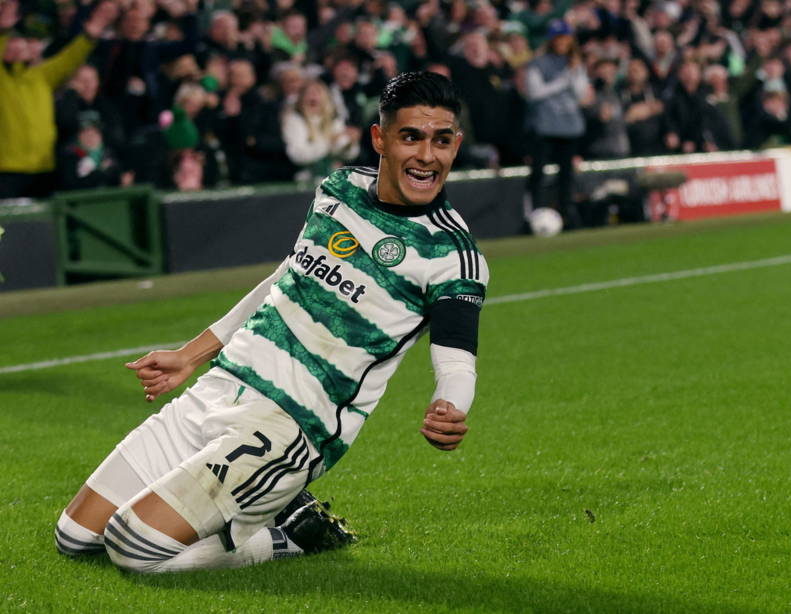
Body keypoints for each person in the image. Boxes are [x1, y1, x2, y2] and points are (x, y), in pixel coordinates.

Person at [54, 71, 489, 573]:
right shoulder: (339, 189)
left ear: (456, 145)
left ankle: (291, 535)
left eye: (441, 141)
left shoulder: (452, 256)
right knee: (75, 537)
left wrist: (450, 405)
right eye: (411, 137)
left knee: (131, 548)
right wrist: (190, 355)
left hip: (288, 427)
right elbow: (285, 278)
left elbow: (457, 361)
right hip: (222, 388)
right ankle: (259, 507)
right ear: (380, 139)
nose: (427, 156)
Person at [0, 0, 117, 199]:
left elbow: (70, 58)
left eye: (21, 43)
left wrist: (90, 35)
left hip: (45, 168)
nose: (18, 47)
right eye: (11, 43)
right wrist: (3, 29)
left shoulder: (41, 75)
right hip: (7, 170)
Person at [521, 19, 590, 229]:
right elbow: (534, 92)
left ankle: (566, 214)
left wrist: (575, 72)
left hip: (569, 126)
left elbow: (580, 94)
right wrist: (562, 82)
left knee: (567, 175)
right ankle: (534, 214)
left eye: (565, 38)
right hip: (545, 125)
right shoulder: (538, 63)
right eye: (558, 38)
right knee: (538, 173)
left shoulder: (575, 63)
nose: (562, 42)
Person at [281, 78, 361, 182]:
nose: (313, 96)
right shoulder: (294, 120)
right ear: (301, 98)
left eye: (317, 92)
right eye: (309, 93)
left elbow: (345, 152)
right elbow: (297, 155)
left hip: (331, 177)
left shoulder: (333, 119)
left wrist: (349, 143)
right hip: (303, 179)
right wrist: (329, 142)